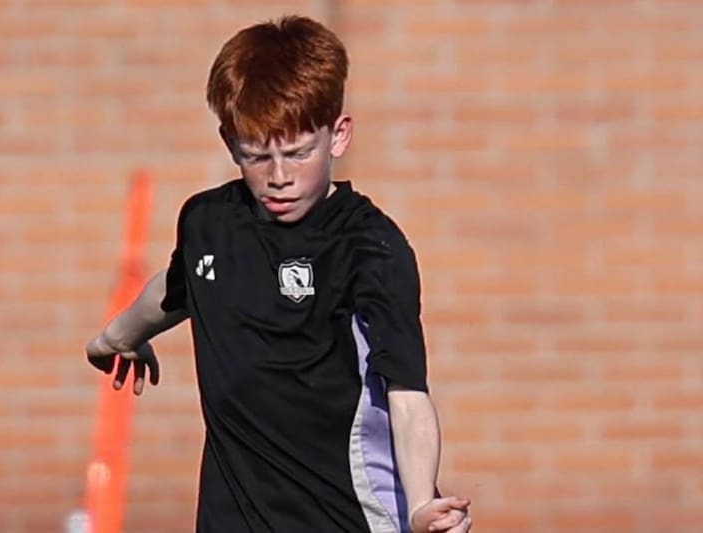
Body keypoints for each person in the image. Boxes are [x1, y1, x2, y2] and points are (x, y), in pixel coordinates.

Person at [86, 15, 472, 533]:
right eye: (256, 156)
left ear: (338, 135)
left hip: (344, 517)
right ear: (230, 144)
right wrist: (118, 335)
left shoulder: (369, 248)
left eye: (298, 153)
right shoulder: (210, 223)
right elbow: (179, 287)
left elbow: (406, 394)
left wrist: (422, 500)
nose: (280, 176)